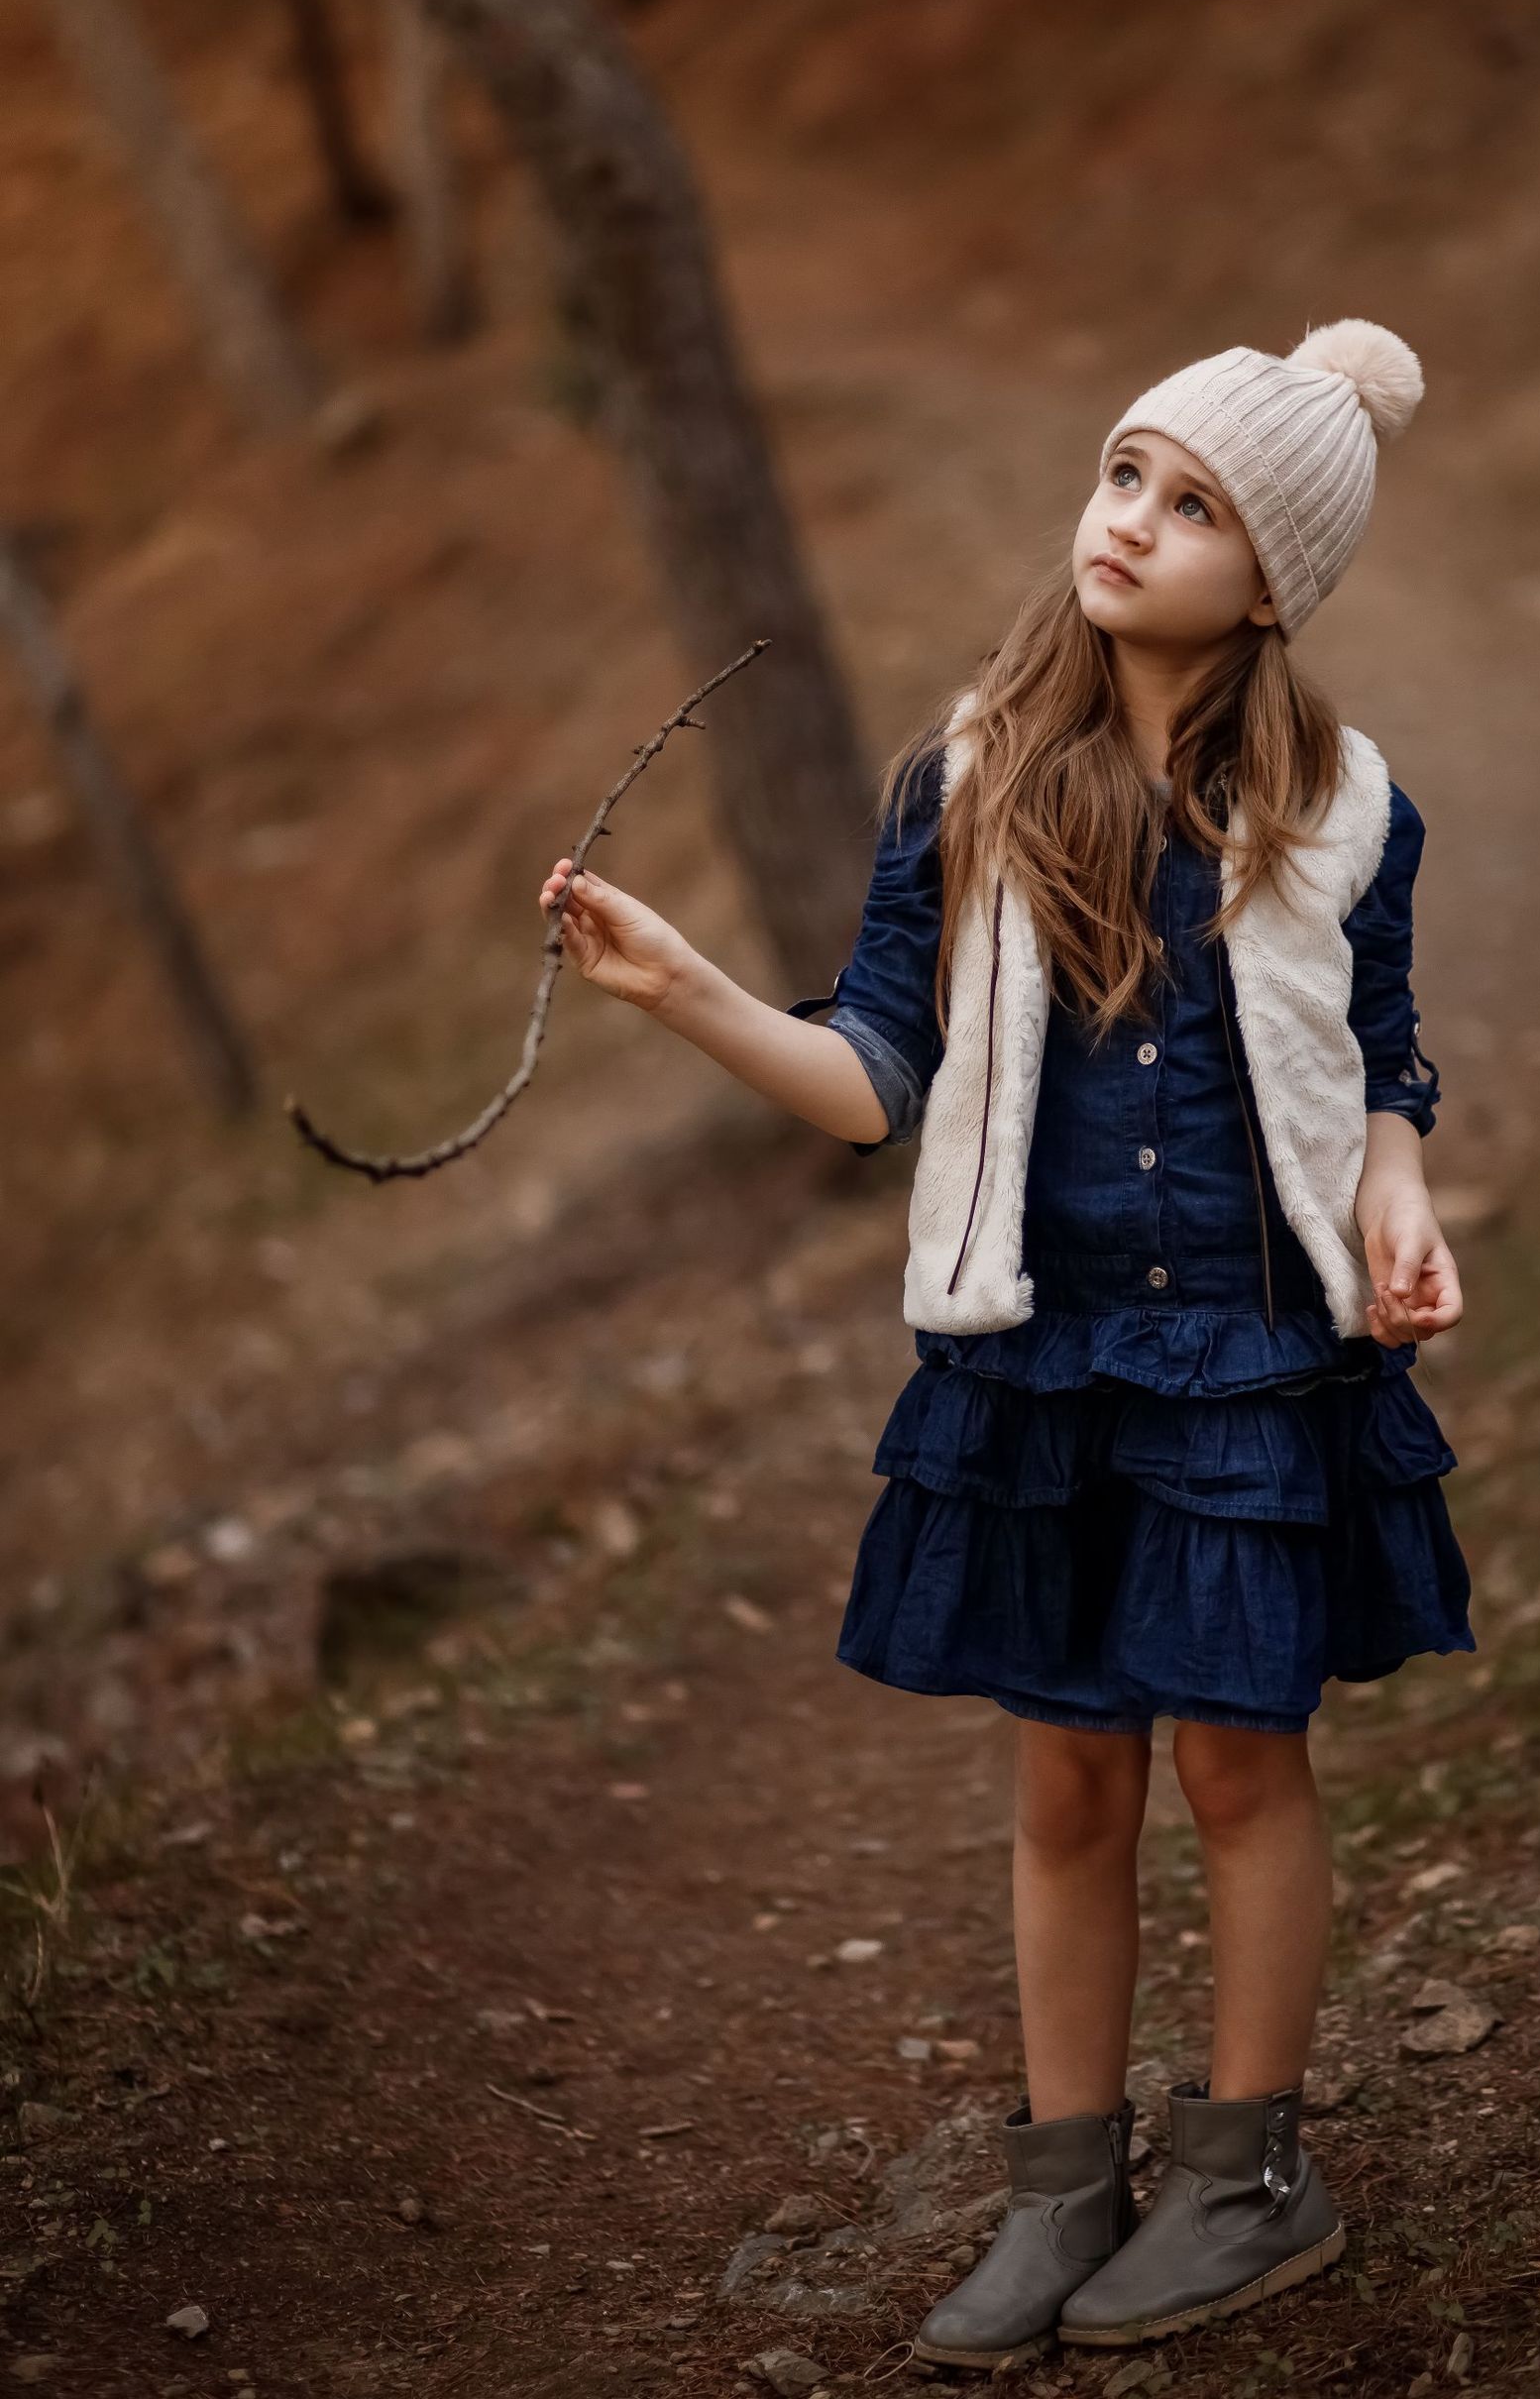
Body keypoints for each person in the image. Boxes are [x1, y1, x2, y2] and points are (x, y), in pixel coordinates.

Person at [540, 318, 1475, 2369]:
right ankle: (1066, 2187)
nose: (1132, 521)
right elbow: (877, 1070)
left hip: (1247, 1358)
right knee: (1068, 1779)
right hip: (1036, 1364)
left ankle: (1246, 2173)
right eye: (1127, 471)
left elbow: (1383, 1063)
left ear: (1276, 581)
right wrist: (691, 987)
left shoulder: (1345, 807)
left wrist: (1395, 1199)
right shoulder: (964, 783)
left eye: (1197, 503)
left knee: (1239, 1756)